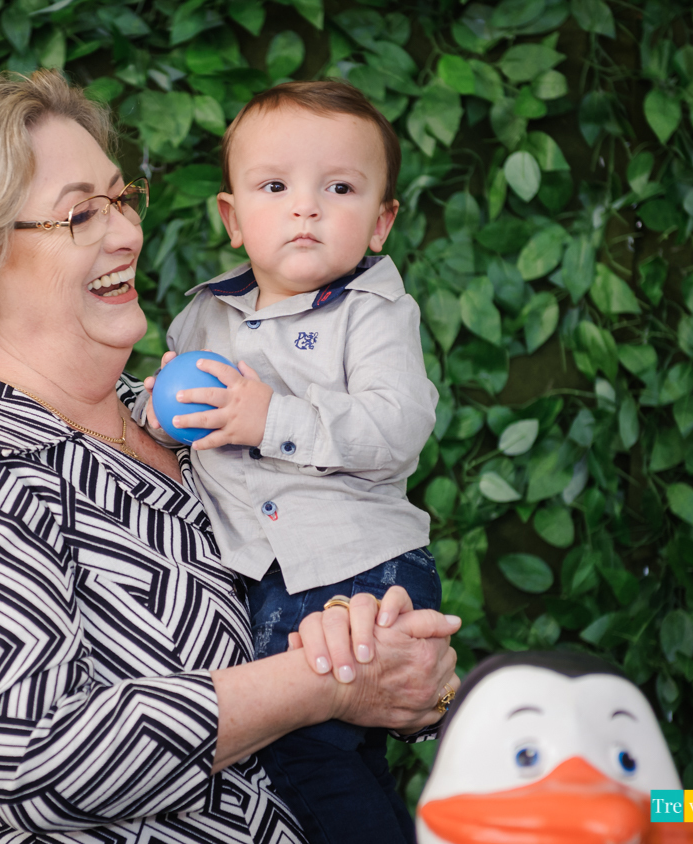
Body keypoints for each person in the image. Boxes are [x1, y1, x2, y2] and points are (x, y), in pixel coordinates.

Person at [0, 69, 460, 844]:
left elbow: (320, 622)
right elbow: (28, 754)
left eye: (120, 198)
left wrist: (409, 680)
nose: (128, 232)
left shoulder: (193, 412)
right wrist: (324, 684)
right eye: (80, 214)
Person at [136, 81, 440, 844]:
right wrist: (154, 408)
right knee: (336, 755)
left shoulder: (373, 313)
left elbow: (397, 425)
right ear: (234, 219)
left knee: (310, 753)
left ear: (381, 221)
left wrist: (272, 417)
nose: (305, 207)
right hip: (267, 579)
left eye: (338, 188)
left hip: (359, 567)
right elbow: (183, 420)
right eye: (275, 186)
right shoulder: (204, 315)